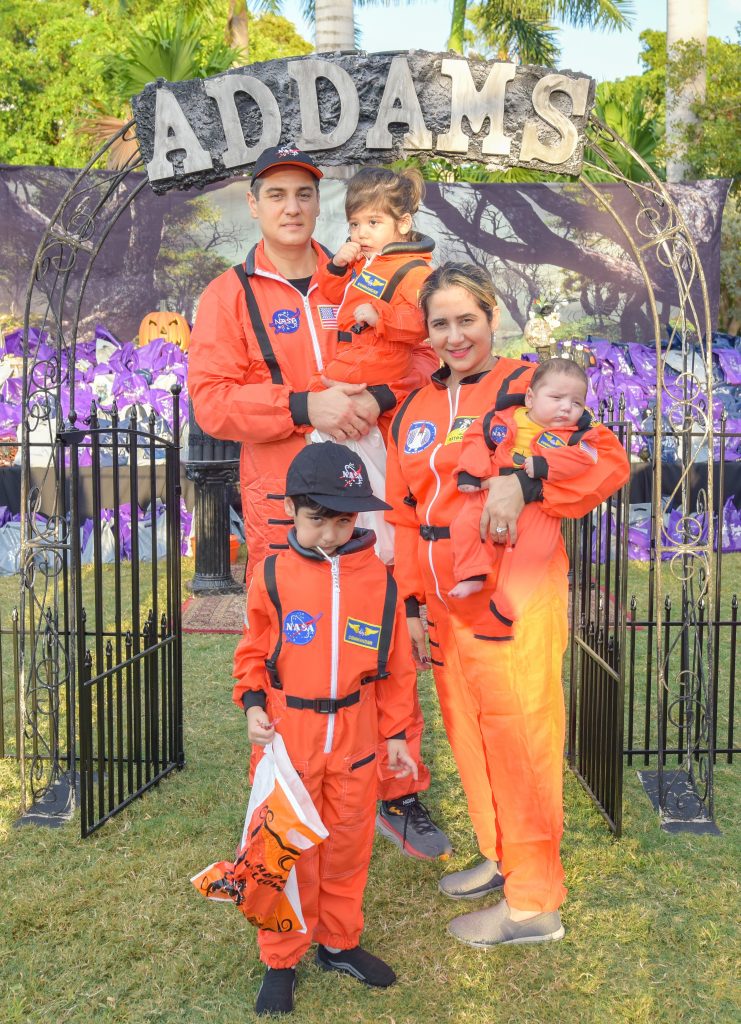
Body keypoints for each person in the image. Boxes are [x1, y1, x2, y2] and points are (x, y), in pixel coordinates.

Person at [189, 144, 450, 861]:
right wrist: (307, 405)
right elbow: (212, 404)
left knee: (385, 636)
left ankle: (396, 787)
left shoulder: (361, 274)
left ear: (319, 202)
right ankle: (277, 805)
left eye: (304, 194)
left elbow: (425, 360)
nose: (292, 207)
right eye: (276, 195)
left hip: (370, 490)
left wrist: (376, 397)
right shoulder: (228, 296)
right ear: (254, 204)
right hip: (284, 504)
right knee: (287, 650)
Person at [385, 262, 630, 947]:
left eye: (467, 319)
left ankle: (532, 903)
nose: (455, 335)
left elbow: (606, 461)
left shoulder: (530, 385)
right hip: (444, 599)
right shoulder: (413, 408)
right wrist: (412, 601)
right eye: (440, 323)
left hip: (513, 593)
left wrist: (529, 481)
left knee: (520, 738)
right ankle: (500, 858)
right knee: (470, 733)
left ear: (492, 319)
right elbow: (405, 512)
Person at [233, 442, 418, 1015]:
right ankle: (280, 958)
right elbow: (253, 652)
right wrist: (253, 704)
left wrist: (395, 735)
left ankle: (338, 942)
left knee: (346, 846)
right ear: (291, 508)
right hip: (290, 742)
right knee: (285, 850)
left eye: (344, 520)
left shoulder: (380, 580)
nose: (332, 534)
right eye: (318, 520)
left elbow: (396, 669)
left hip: (356, 743)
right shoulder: (271, 575)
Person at [308, 166, 435, 564]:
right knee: (348, 444)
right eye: (355, 224)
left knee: (330, 395)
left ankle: (384, 543)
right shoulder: (364, 263)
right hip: (356, 356)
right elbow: (331, 295)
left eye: (373, 223)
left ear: (403, 223)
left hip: (381, 361)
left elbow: (424, 322)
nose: (361, 232)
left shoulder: (414, 270)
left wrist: (383, 317)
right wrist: (336, 266)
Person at [449, 358, 606, 639]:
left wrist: (547, 465)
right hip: (491, 490)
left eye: (577, 403)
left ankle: (504, 612)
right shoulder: (502, 418)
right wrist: (470, 472)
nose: (566, 408)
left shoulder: (578, 436)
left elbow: (587, 458)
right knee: (464, 525)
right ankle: (472, 573)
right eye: (556, 398)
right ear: (531, 398)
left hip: (539, 503)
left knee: (534, 553)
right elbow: (475, 439)